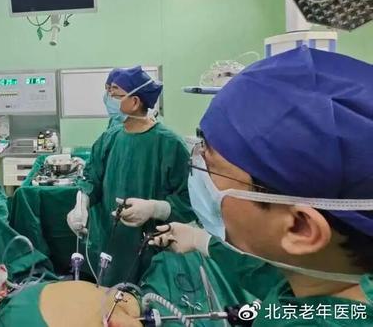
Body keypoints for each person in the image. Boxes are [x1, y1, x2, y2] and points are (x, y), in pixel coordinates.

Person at [153, 46, 373, 325]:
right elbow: (270, 277)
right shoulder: (329, 278)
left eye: (210, 163)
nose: (198, 170)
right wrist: (202, 241)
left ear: (299, 227)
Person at [67, 66, 194, 287]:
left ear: (135, 102)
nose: (108, 97)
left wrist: (155, 208)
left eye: (114, 91)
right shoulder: (109, 139)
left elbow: (188, 199)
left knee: (147, 301)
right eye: (107, 90)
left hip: (152, 249)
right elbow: (91, 180)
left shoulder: (170, 145)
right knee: (108, 299)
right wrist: (81, 204)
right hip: (110, 245)